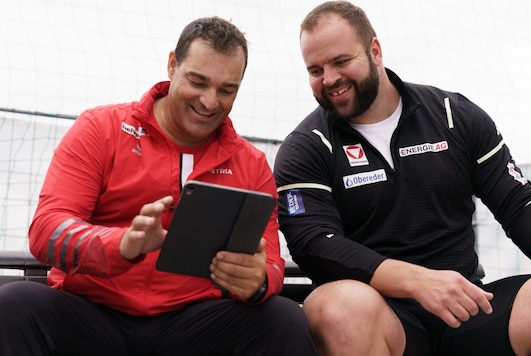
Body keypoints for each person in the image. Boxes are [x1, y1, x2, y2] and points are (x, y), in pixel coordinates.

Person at [273, 1, 531, 355]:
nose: (330, 79)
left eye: (341, 62)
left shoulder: (454, 116)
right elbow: (315, 245)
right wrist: (418, 281)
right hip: (383, 320)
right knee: (336, 306)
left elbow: (516, 200)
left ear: (375, 51)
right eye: (316, 69)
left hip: (465, 309)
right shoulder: (306, 147)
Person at [0, 17, 316, 355]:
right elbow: (46, 231)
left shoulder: (250, 164)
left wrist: (258, 283)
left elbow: (270, 262)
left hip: (193, 322)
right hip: (91, 313)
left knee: (283, 318)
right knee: (16, 302)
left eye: (227, 90)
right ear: (172, 65)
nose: (210, 102)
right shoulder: (101, 128)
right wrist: (122, 245)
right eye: (198, 82)